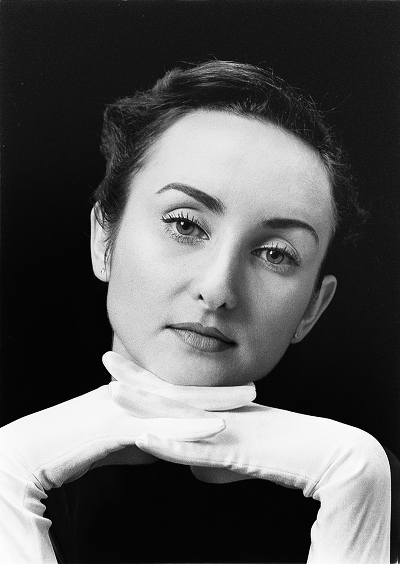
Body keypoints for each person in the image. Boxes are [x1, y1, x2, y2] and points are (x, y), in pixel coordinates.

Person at [0, 61, 392, 563]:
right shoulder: (18, 463)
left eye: (275, 254)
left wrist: (355, 486)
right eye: (185, 225)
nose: (218, 288)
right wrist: (10, 477)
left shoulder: (367, 485)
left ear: (311, 309)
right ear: (104, 240)